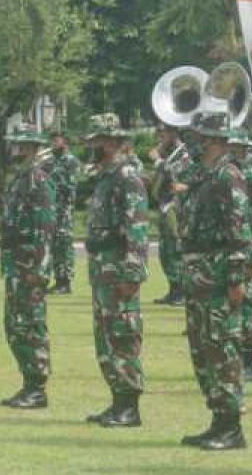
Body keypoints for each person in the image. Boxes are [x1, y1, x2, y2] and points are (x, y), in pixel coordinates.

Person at [179, 120, 252, 451]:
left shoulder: (228, 176)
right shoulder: (202, 175)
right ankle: (218, 420)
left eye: (197, 137)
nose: (192, 142)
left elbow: (239, 232)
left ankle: (231, 425)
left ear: (212, 140)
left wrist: (237, 279)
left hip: (220, 275)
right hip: (199, 275)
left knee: (222, 348)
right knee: (203, 348)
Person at [80, 117, 150, 427]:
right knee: (106, 337)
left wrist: (132, 274)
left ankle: (129, 407)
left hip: (119, 270)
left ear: (109, 142)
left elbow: (136, 229)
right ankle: (117, 400)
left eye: (95, 142)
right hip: (103, 270)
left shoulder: (126, 177)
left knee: (122, 335)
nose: (90, 148)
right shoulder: (105, 177)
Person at [0, 123, 56, 409]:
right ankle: (28, 383)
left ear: (34, 148)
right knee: (15, 325)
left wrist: (38, 270)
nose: (16, 150)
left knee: (30, 325)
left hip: (30, 267)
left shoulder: (38, 180)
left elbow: (44, 229)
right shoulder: (18, 179)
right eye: (15, 144)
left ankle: (37, 387)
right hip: (16, 265)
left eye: (22, 145)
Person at [227, 128, 252, 382]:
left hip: (246, 241)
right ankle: (240, 355)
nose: (235, 151)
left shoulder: (247, 172)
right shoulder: (226, 172)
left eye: (239, 147)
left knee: (246, 299)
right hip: (236, 239)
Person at [148, 123, 189, 306]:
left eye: (163, 133)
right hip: (165, 204)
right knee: (165, 250)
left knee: (175, 247)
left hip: (177, 206)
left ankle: (182, 290)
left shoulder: (183, 153)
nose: (160, 137)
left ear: (173, 133)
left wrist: (157, 160)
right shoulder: (167, 153)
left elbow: (175, 173)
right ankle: (173, 288)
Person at [44, 129, 80, 294]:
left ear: (65, 142)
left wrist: (53, 176)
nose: (53, 144)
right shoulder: (49, 161)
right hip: (50, 209)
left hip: (64, 210)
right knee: (52, 246)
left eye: (56, 141)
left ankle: (65, 281)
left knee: (63, 246)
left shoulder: (71, 161)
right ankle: (57, 280)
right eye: (52, 141)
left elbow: (70, 186)